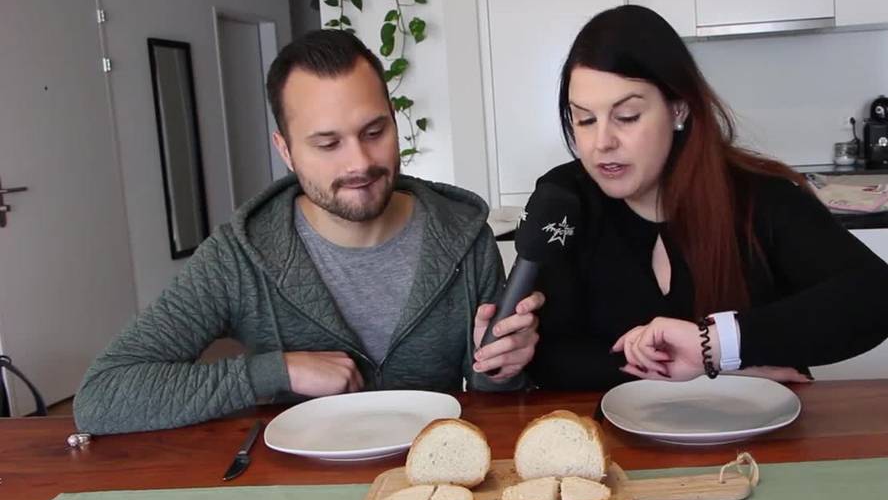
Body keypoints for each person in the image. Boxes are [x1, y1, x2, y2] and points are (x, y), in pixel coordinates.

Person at [74, 30, 541, 434]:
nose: (359, 162)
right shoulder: (240, 255)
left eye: (374, 131)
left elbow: (493, 403)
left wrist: (501, 366)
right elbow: (103, 395)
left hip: (431, 486)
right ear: (286, 149)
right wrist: (277, 371)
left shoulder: (462, 234)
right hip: (296, 495)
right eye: (327, 143)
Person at [526, 6, 888, 390]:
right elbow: (545, 356)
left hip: (756, 443)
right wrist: (718, 370)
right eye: (585, 120)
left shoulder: (761, 198)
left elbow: (879, 298)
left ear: (678, 108)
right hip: (616, 443)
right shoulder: (565, 201)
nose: (602, 143)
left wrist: (714, 345)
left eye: (626, 116)